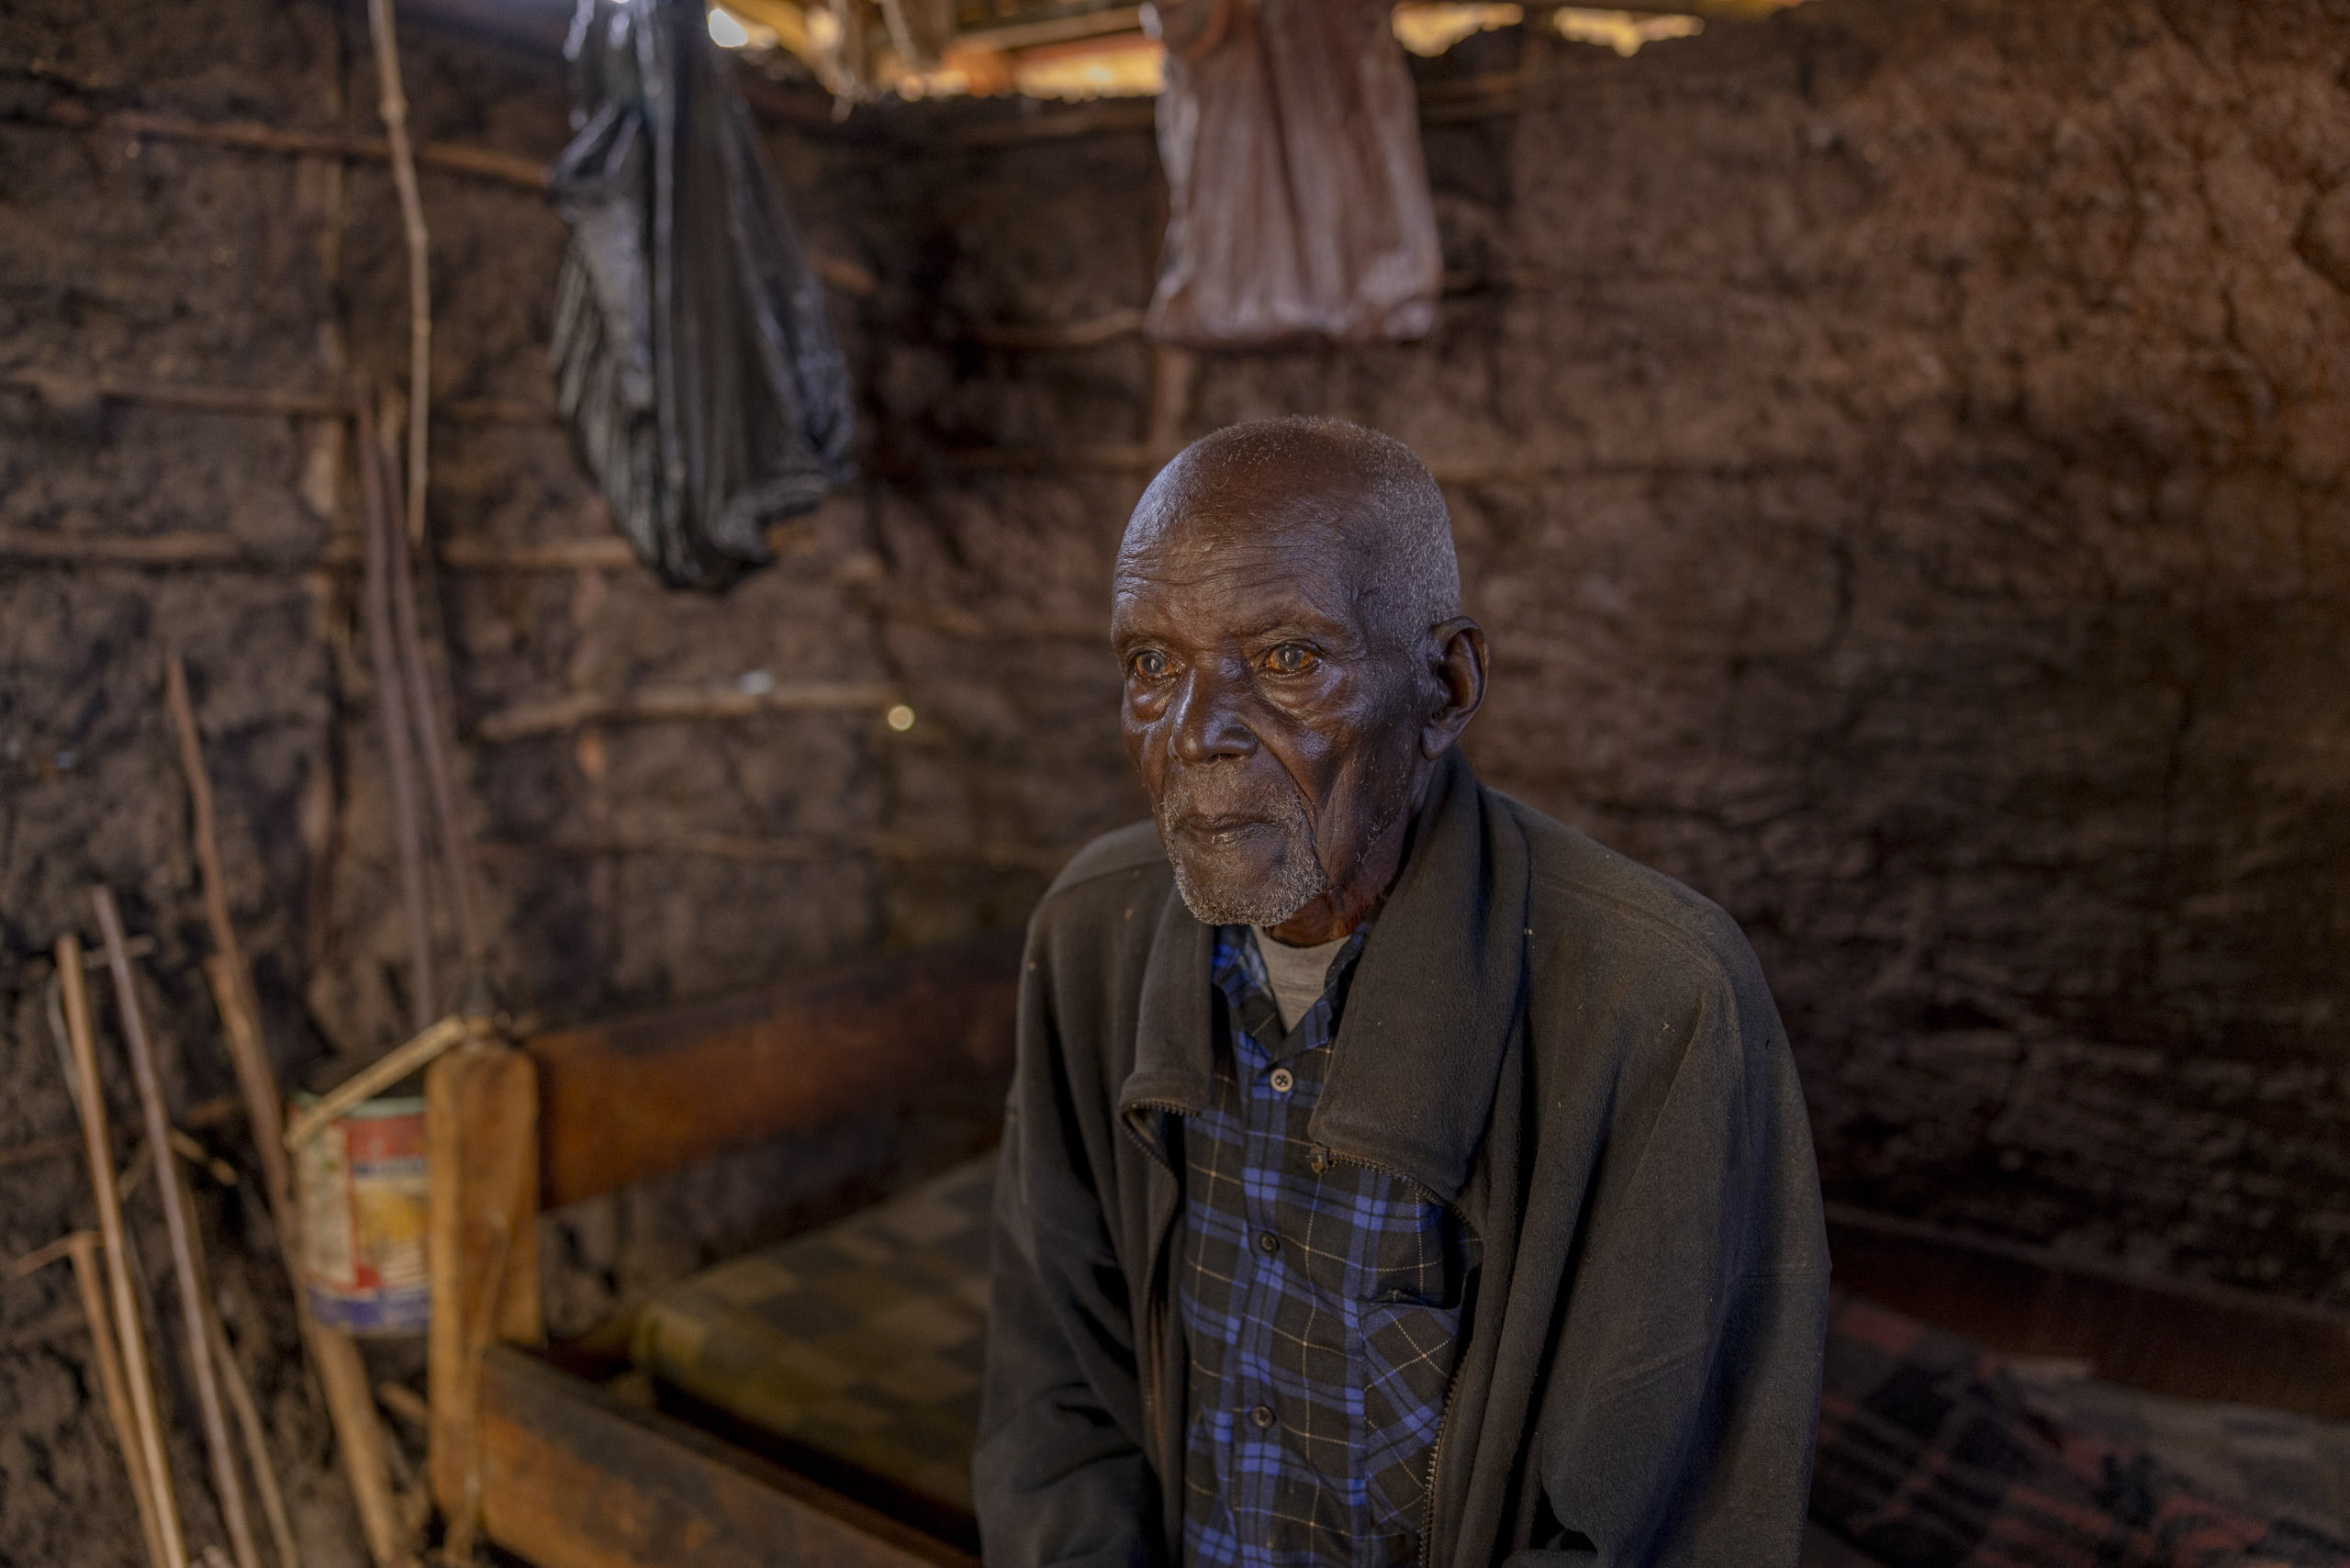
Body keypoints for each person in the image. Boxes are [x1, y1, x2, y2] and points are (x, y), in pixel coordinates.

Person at [975, 418, 1829, 1568]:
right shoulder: (1093, 933)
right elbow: (1053, 1397)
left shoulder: (1653, 998)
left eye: (1286, 659)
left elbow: (1658, 1526)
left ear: (1443, 685)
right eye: (1151, 666)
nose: (1196, 733)